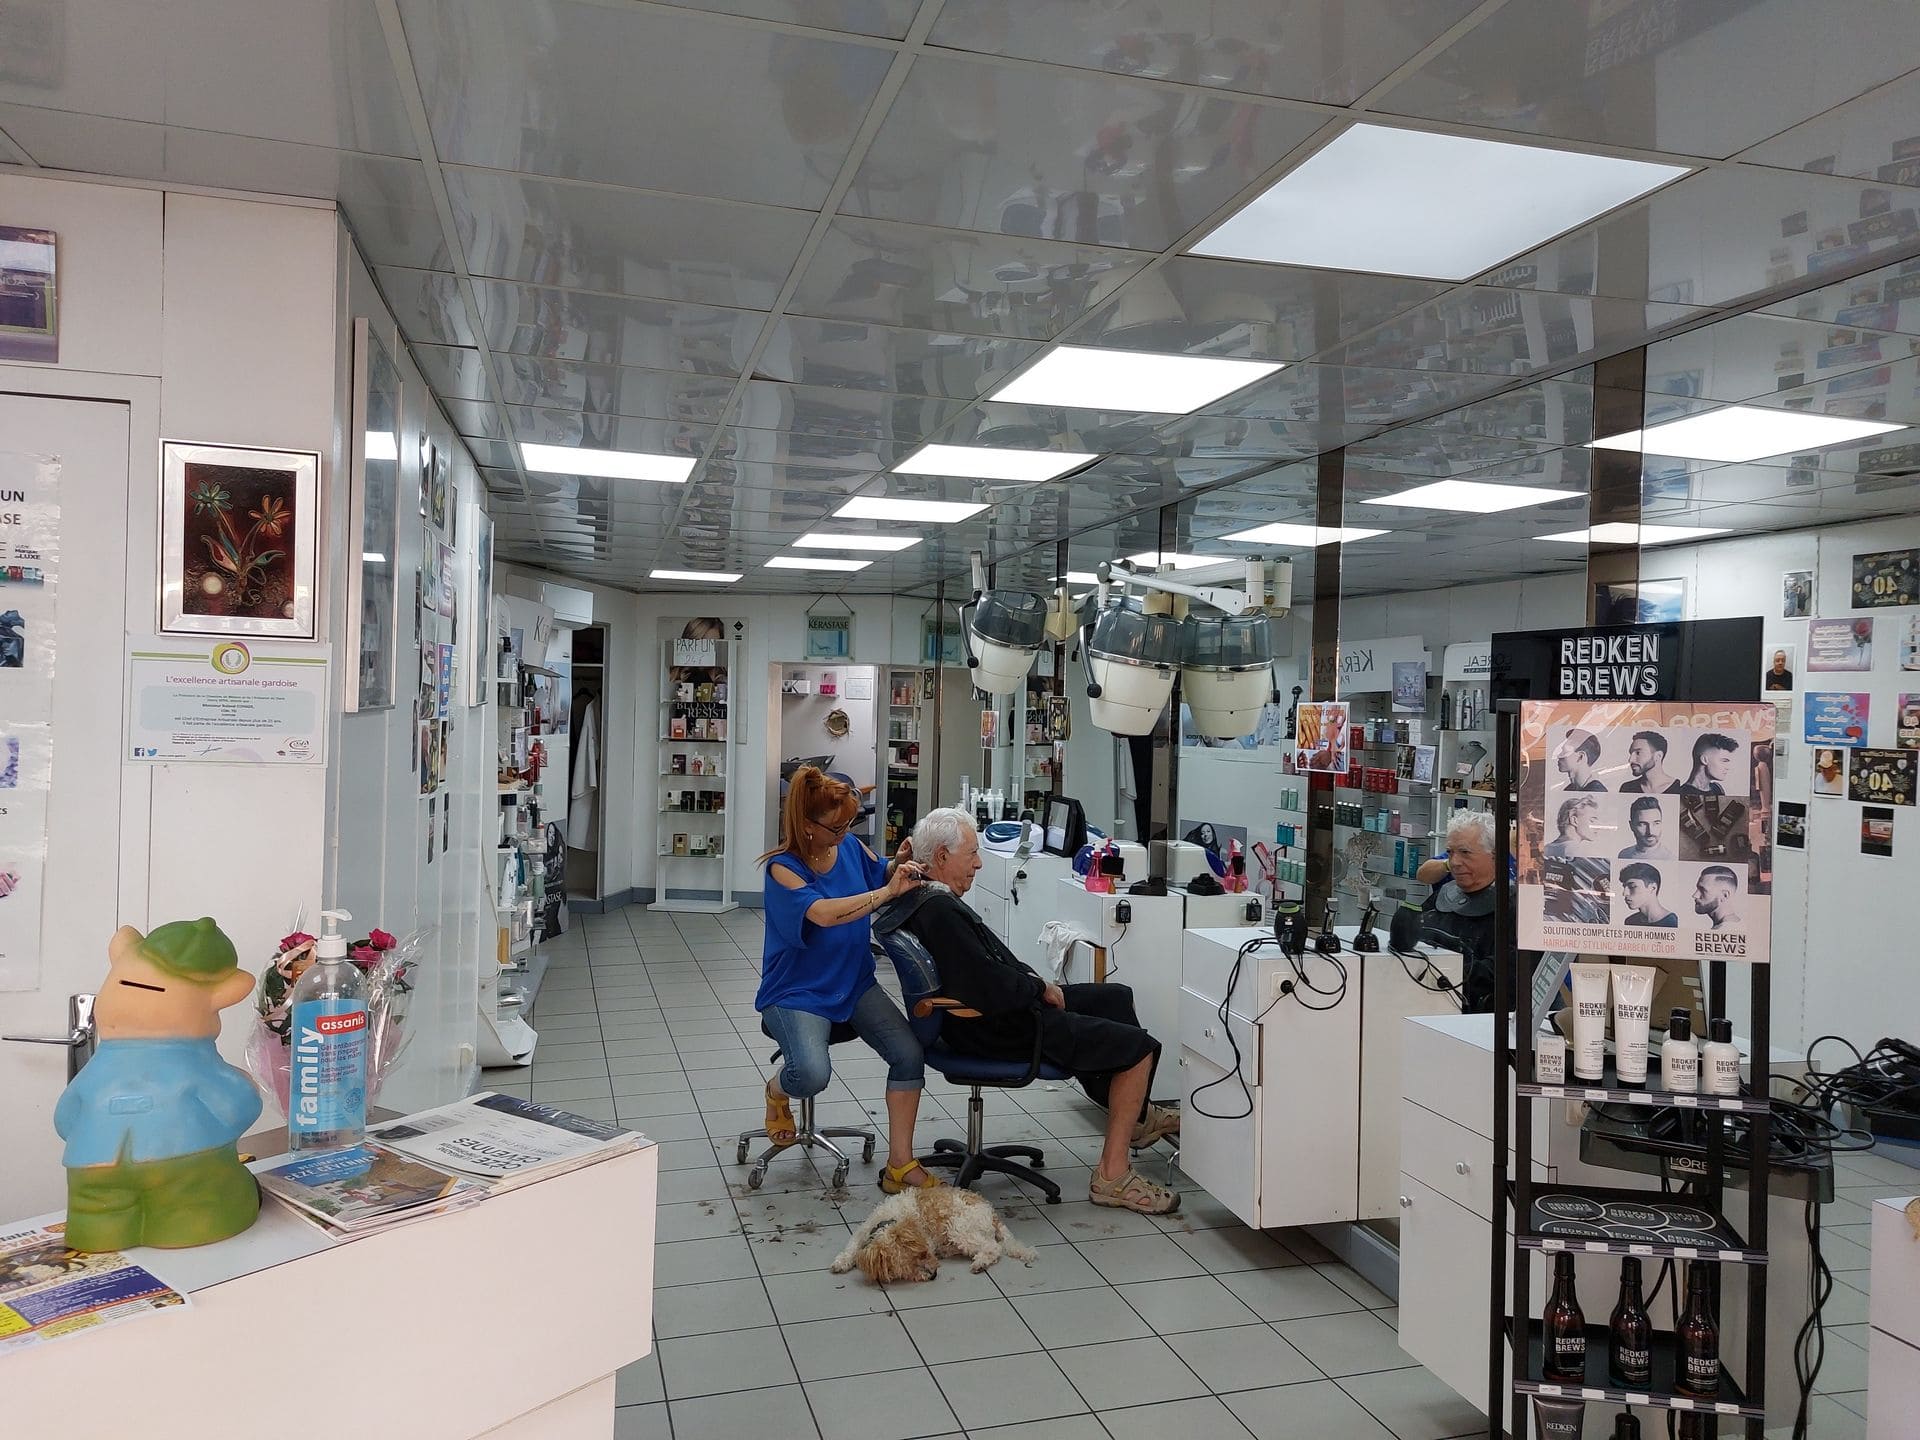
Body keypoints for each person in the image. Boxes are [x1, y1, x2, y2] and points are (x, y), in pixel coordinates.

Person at [882, 808, 1183, 1216]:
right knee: (1138, 1049)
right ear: (940, 857)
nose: (978, 863)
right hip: (998, 1026)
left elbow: (986, 971)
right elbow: (987, 985)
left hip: (992, 1012)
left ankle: (1138, 1119)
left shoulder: (926, 897)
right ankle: (1112, 1176)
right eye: (971, 853)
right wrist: (1039, 987)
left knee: (1114, 997)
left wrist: (1034, 982)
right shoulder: (939, 911)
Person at [757, 766, 938, 1194]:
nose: (845, 833)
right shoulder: (782, 869)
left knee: (908, 1054)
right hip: (797, 991)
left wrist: (899, 862)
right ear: (807, 825)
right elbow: (824, 914)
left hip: (854, 982)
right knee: (810, 1074)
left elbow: (881, 871)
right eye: (836, 827)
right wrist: (888, 892)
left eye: (849, 824)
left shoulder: (850, 847)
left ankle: (900, 1165)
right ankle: (777, 1090)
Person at [1419, 809, 1507, 1012]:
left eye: (1465, 853)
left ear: (1494, 856)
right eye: (1450, 853)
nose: (1454, 862)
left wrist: (1446, 970)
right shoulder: (1442, 897)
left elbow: (1504, 975)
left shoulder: (1512, 908)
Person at [1618, 731, 1684, 794]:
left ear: (1658, 756)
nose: (1630, 760)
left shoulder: (1679, 788)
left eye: (1638, 753)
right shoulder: (1627, 788)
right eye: (1631, 753)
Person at [1693, 865, 1742, 931]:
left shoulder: (1724, 930)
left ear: (1725, 895)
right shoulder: (1736, 926)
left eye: (1703, 890)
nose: (1695, 895)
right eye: (1698, 889)